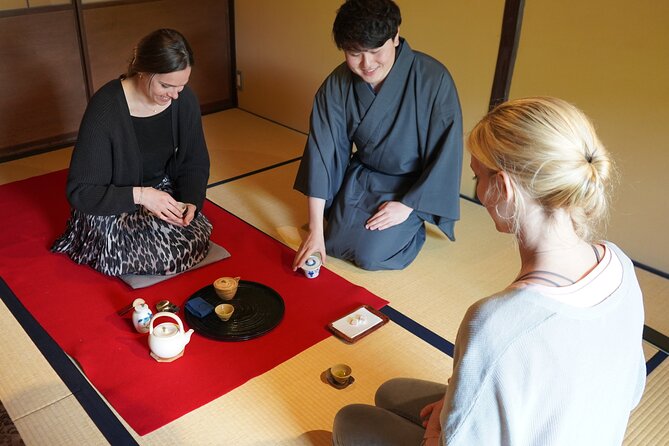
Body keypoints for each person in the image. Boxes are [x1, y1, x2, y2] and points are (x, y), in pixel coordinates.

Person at [332, 97, 646, 445]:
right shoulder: (620, 265)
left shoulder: (495, 320)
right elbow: (628, 391)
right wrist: (457, 405)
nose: (478, 191)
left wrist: (442, 430)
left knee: (351, 420)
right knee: (393, 393)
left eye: (477, 177)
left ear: (504, 188)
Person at [292, 0, 463, 272]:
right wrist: (315, 229)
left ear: (395, 36)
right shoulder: (337, 83)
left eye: (375, 51)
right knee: (334, 243)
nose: (366, 64)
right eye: (354, 53)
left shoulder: (433, 78)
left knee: (370, 257)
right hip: (366, 173)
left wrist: (407, 206)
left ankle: (415, 223)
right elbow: (322, 152)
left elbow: (447, 151)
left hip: (412, 185)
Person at [52, 29, 212, 276]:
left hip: (159, 191)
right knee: (156, 254)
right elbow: (81, 191)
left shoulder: (183, 99)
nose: (174, 95)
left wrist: (191, 200)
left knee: (193, 234)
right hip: (113, 201)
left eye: (182, 85)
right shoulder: (105, 109)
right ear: (143, 71)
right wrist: (141, 195)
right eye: (166, 85)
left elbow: (194, 160)